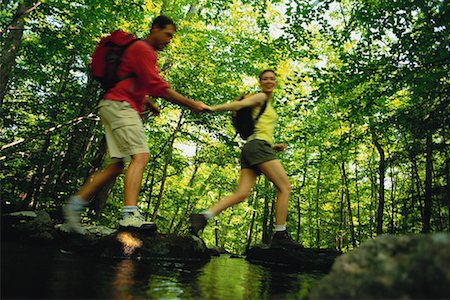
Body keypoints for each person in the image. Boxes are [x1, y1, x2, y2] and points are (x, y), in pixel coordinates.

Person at [63, 15, 208, 233]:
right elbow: (157, 85)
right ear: (155, 29)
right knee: (140, 156)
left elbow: (132, 80)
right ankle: (129, 215)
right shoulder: (143, 49)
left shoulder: (137, 50)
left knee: (116, 165)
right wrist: (190, 103)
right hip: (120, 106)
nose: (169, 40)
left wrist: (148, 102)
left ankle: (74, 206)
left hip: (111, 104)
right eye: (167, 34)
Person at [189, 69, 301, 248]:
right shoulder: (261, 97)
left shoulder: (267, 104)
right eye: (265, 79)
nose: (269, 81)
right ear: (260, 82)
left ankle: (203, 216)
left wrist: (273, 146)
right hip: (258, 147)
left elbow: (258, 130)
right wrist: (212, 108)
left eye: (272, 79)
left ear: (276, 82)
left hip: (252, 147)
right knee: (285, 187)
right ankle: (280, 234)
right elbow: (238, 105)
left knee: (241, 194)